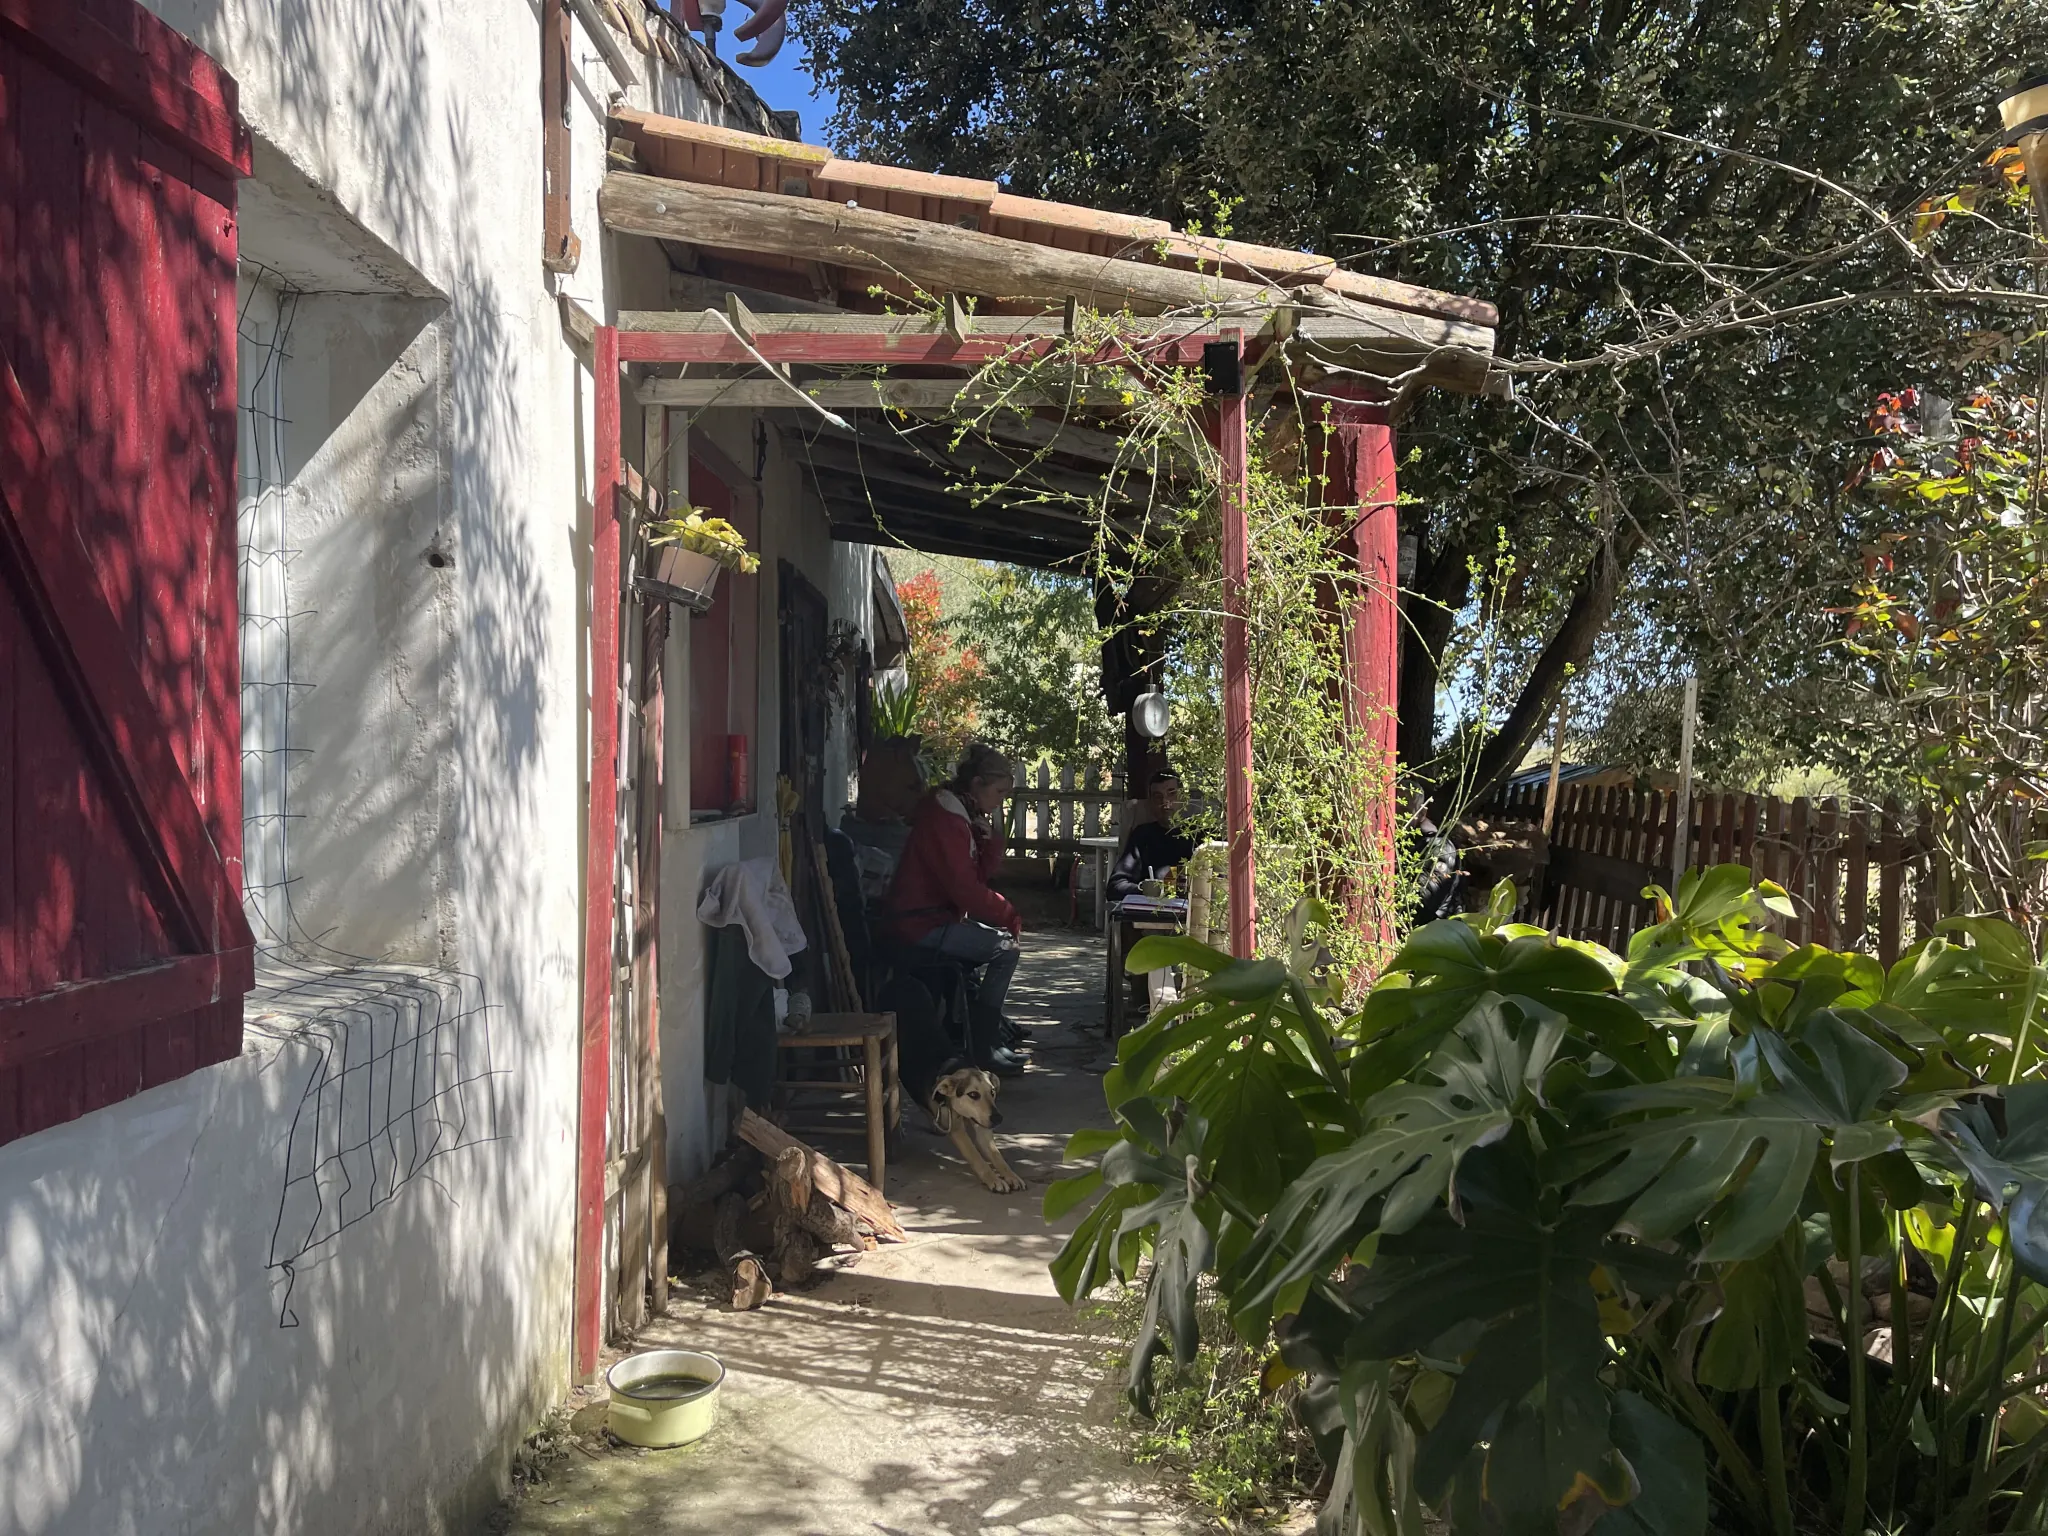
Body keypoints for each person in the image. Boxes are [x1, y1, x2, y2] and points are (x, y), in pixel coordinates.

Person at [882, 745, 1028, 1076]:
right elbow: (965, 890)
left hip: (932, 919)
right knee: (1006, 951)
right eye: (999, 792)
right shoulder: (946, 818)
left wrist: (991, 843)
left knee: (999, 945)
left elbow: (976, 879)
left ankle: (987, 1042)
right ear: (977, 784)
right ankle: (984, 1047)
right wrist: (1008, 914)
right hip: (918, 924)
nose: (1001, 800)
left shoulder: (960, 814)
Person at [1108, 769, 1197, 902]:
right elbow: (1115, 887)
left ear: (1183, 798)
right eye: (1157, 797)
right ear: (1151, 802)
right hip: (1151, 909)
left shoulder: (1201, 836)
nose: (1165, 802)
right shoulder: (1143, 836)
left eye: (1171, 794)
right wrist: (1146, 890)